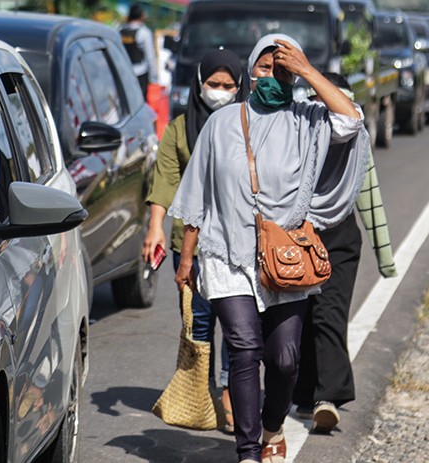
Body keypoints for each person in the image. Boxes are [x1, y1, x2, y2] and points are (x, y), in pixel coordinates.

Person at [169, 34, 368, 463]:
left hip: (284, 258)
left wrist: (307, 71)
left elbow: (351, 120)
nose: (273, 75)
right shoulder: (222, 124)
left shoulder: (308, 120)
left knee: (283, 359)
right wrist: (187, 258)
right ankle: (246, 450)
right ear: (250, 73)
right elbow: (197, 195)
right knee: (244, 348)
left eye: (282, 68)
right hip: (227, 255)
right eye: (265, 66)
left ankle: (273, 425)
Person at [143, 48, 247, 434]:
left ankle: (232, 392)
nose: (219, 92)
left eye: (228, 86)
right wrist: (155, 227)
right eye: (212, 84)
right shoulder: (180, 129)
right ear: (198, 84)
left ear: (240, 88)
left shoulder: (247, 126)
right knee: (198, 322)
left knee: (237, 323)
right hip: (188, 244)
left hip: (237, 242)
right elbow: (166, 180)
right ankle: (200, 391)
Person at [292, 73, 398, 434]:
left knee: (329, 314)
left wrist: (385, 258)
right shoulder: (297, 138)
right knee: (301, 318)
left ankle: (329, 396)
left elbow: (370, 198)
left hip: (339, 238)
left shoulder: (357, 144)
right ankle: (305, 393)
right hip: (298, 237)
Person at [119, 3, 157, 99]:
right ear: (141, 16)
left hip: (122, 74)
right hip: (139, 76)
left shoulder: (119, 31)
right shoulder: (144, 32)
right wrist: (153, 79)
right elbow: (150, 58)